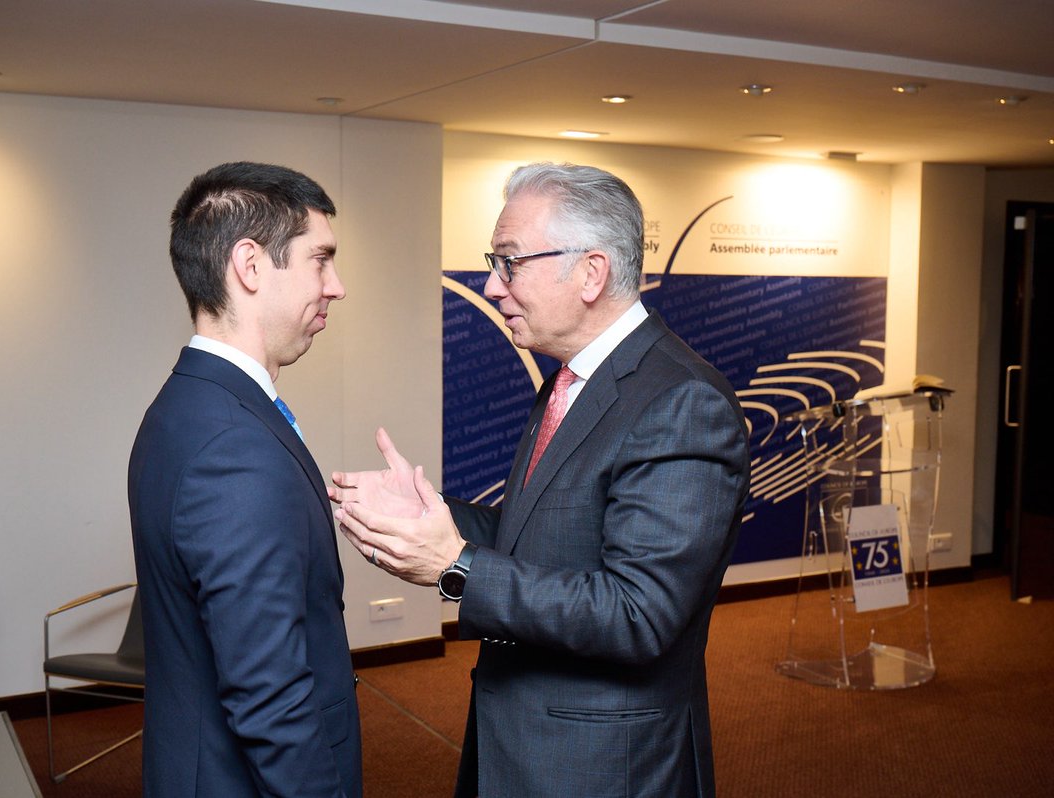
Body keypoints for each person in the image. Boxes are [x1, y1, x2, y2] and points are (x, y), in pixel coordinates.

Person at [331, 162, 749, 797]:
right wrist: (435, 518)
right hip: (523, 743)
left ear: (591, 271)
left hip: (605, 765)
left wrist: (456, 567)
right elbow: (544, 539)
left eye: (510, 262)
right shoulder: (570, 380)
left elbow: (639, 614)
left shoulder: (684, 402)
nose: (493, 286)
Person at [128, 161, 361, 797]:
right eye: (321, 259)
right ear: (250, 265)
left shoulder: (186, 405)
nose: (336, 286)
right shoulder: (234, 446)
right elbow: (269, 697)